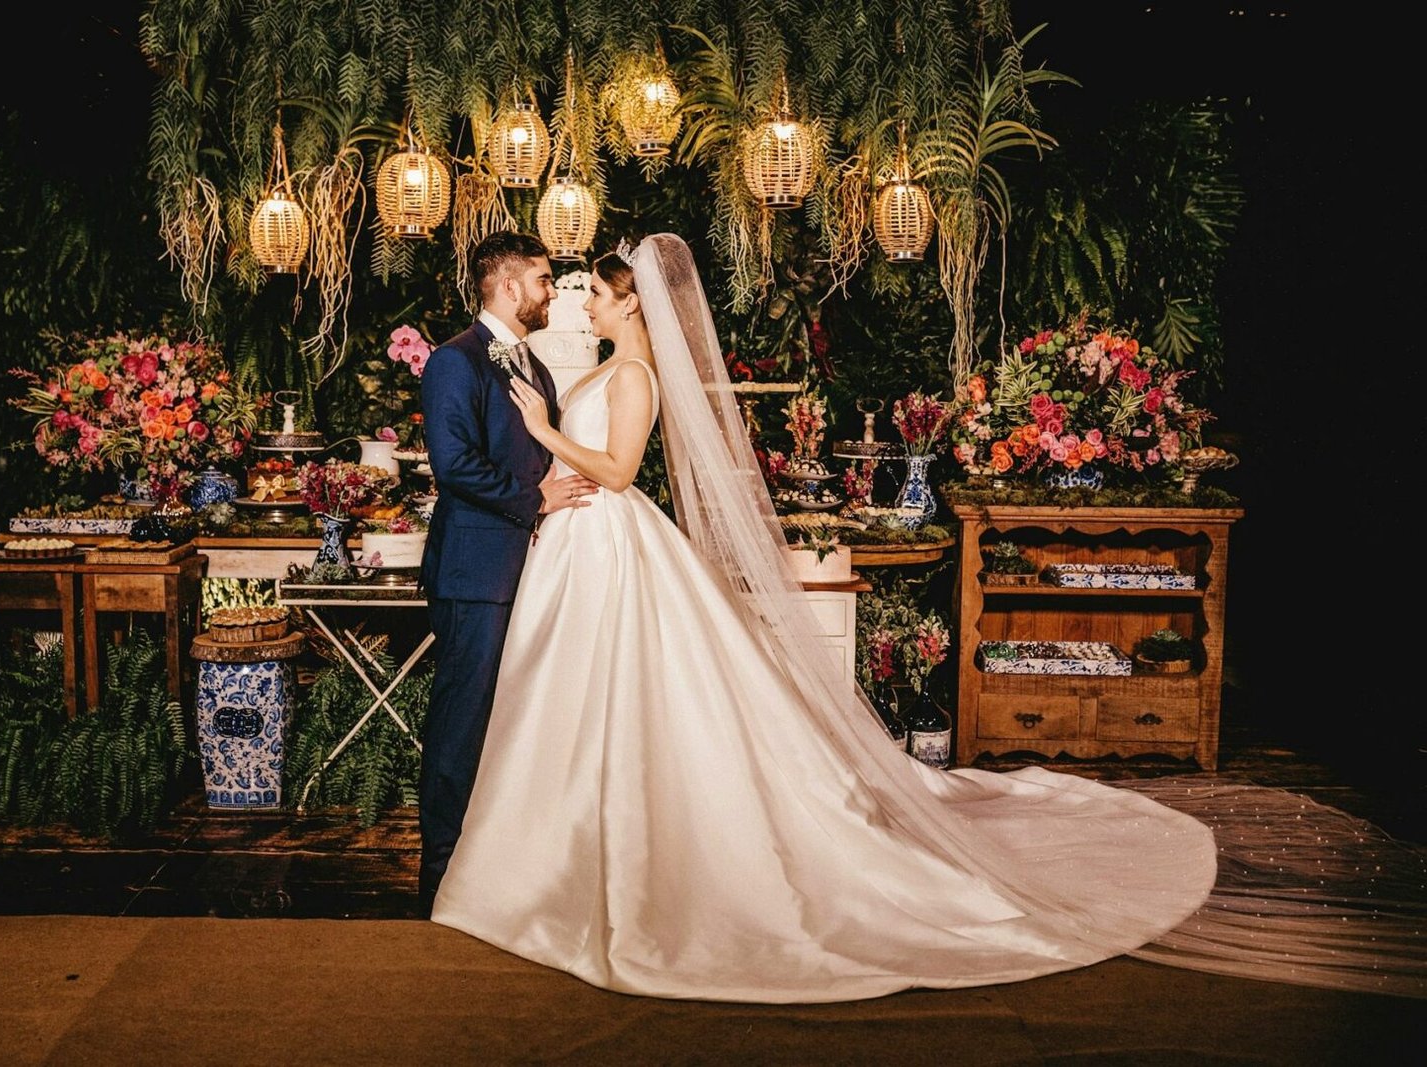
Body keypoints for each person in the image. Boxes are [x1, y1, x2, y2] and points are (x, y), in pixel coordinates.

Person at [427, 233, 1426, 1002]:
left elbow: (619, 466)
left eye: (590, 290)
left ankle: (589, 854)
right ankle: (550, 847)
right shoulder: (587, 363)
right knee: (576, 703)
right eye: (571, 289)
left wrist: (552, 433)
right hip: (574, 547)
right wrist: (544, 457)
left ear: (629, 298)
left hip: (610, 536)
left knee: (631, 698)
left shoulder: (631, 372)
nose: (577, 300)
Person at [416, 230, 599, 918]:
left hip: (529, 569)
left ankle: (488, 870)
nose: (553, 291)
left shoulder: (534, 367)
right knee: (461, 723)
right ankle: (438, 877)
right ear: (508, 283)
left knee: (510, 724)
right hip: (475, 572)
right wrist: (537, 500)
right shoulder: (454, 363)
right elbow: (454, 465)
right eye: (545, 279)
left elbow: (533, 455)